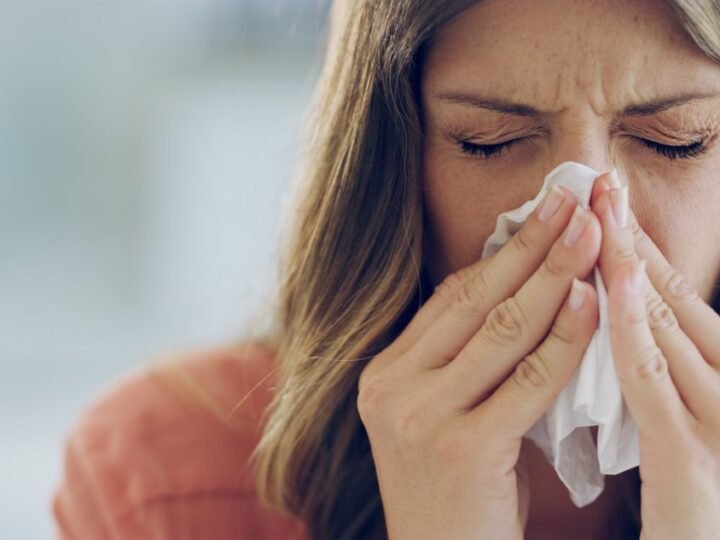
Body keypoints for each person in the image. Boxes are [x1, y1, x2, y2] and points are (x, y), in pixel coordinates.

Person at [52, 0, 720, 538]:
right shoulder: (167, 482)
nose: (590, 230)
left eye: (678, 140)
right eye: (489, 143)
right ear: (391, 164)